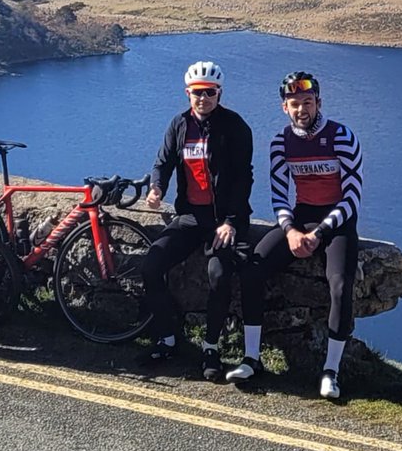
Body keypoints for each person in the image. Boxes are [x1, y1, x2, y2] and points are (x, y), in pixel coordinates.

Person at [226, 72, 364, 400]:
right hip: (300, 218)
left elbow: (352, 196)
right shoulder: (280, 142)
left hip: (338, 222)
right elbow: (279, 196)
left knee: (340, 286)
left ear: (318, 103)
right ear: (284, 108)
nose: (302, 109)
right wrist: (290, 231)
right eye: (295, 104)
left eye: (308, 102)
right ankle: (251, 358)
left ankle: (331, 371)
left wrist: (320, 232)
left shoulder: (342, 136)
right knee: (252, 268)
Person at [139, 60, 254, 381]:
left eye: (209, 92)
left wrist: (231, 221)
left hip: (223, 220)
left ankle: (211, 347)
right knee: (151, 267)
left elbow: (244, 178)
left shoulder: (235, 126)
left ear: (219, 93)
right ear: (187, 93)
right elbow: (163, 162)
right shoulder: (179, 124)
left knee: (219, 276)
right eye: (196, 92)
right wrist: (156, 188)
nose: (203, 98)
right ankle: (167, 338)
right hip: (190, 217)